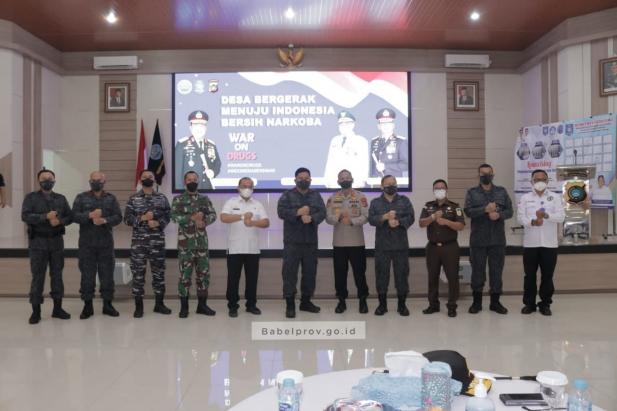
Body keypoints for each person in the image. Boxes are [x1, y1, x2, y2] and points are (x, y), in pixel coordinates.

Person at [21, 169, 72, 324]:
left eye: (50, 178)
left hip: (56, 242)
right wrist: (45, 217)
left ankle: (57, 309)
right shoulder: (31, 198)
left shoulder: (61, 198)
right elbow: (25, 216)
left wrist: (60, 221)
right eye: (44, 178)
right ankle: (36, 311)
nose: (47, 181)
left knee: (57, 276)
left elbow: (70, 216)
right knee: (38, 277)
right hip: (38, 242)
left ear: (54, 180)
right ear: (39, 181)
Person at [72, 171, 123, 319]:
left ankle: (107, 305)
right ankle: (87, 306)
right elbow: (73, 216)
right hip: (86, 245)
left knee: (107, 276)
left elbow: (118, 217)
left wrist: (105, 220)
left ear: (104, 182)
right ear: (89, 181)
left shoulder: (111, 198)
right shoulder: (81, 197)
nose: (96, 182)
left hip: (106, 244)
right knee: (87, 276)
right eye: (93, 180)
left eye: (99, 180)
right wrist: (89, 215)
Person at [277, 167, 327, 318]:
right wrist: (297, 213)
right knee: (289, 273)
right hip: (292, 242)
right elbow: (281, 212)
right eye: (300, 178)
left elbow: (322, 212)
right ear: (295, 180)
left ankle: (306, 302)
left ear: (310, 180)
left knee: (310, 273)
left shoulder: (316, 195)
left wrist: (312, 218)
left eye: (306, 178)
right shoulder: (287, 195)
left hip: (310, 242)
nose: (304, 180)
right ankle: (290, 304)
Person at [464, 163, 513, 315]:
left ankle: (495, 303)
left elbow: (510, 211)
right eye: (483, 174)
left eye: (488, 173)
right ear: (478, 175)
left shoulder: (501, 191)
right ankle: (476, 303)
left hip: (497, 240)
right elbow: (468, 211)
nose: (486, 176)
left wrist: (499, 215)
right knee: (477, 272)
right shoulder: (472, 192)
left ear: (493, 174)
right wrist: (484, 209)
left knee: (496, 272)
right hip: (478, 240)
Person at [124, 170, 172, 318]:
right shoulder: (133, 198)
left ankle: (159, 304)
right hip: (139, 244)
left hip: (157, 242)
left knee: (159, 274)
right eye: (144, 177)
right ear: (140, 180)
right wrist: (142, 218)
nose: (147, 179)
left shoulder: (161, 198)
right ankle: (139, 307)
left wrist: (158, 223)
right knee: (138, 275)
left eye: (150, 177)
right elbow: (127, 219)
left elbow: (168, 215)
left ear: (154, 179)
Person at [517, 169, 565, 316]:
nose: (540, 182)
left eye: (543, 179)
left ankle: (545, 304)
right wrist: (533, 222)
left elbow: (561, 217)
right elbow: (520, 218)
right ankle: (529, 304)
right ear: (531, 181)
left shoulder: (555, 197)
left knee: (547, 276)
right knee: (529, 276)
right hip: (530, 244)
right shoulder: (525, 198)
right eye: (537, 179)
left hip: (549, 244)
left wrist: (546, 215)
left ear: (547, 181)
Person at [220, 177, 270, 317]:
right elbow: (223, 218)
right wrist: (242, 217)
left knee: (252, 279)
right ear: (238, 188)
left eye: (250, 186)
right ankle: (232, 306)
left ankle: (251, 305)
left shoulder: (257, 204)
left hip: (252, 248)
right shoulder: (231, 202)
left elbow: (266, 222)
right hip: (234, 248)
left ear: (253, 189)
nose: (247, 189)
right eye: (244, 186)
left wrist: (252, 223)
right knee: (233, 279)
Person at [171, 170, 217, 318]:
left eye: (194, 179)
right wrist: (191, 218)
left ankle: (202, 306)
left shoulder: (204, 199)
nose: (192, 182)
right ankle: (184, 308)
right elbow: (173, 216)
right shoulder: (178, 199)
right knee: (185, 276)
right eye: (189, 179)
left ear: (198, 181)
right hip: (185, 246)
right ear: (184, 182)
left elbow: (213, 215)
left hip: (202, 244)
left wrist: (204, 221)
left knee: (203, 275)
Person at [368, 175, 414, 316]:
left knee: (402, 275)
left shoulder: (404, 200)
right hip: (382, 247)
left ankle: (402, 305)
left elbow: (411, 217)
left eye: (394, 183)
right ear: (382, 186)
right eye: (388, 184)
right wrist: (384, 217)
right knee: (381, 276)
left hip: (400, 246)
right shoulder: (375, 202)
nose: (391, 186)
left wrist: (399, 222)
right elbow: (371, 219)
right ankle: (382, 305)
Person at [418, 179, 465, 317]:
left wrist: (446, 222)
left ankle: (452, 306)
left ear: (446, 190)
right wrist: (432, 217)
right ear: (433, 190)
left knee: (452, 277)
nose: (439, 190)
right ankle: (433, 305)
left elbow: (461, 226)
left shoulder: (455, 207)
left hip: (450, 247)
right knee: (432, 277)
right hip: (432, 248)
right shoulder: (428, 206)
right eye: (437, 188)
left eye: (442, 188)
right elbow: (421, 223)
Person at [325, 169, 370, 314]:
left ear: (352, 179)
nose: (345, 180)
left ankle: (362, 299)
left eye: (347, 177)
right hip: (339, 243)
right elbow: (328, 218)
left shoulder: (360, 197)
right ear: (338, 181)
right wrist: (338, 218)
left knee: (359, 273)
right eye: (342, 178)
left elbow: (366, 217)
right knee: (340, 274)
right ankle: (341, 301)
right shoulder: (333, 198)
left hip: (357, 242)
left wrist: (351, 221)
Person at [175, 110, 221, 190]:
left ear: (206, 128)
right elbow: (177, 172)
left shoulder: (211, 145)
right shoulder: (182, 144)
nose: (199, 128)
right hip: (189, 191)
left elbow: (217, 163)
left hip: (208, 189)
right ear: (190, 128)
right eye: (196, 125)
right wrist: (179, 191)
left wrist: (213, 172)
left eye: (202, 125)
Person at [323, 111, 369, 188]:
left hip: (354, 184)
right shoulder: (335, 140)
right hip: (335, 184)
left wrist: (362, 181)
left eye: (347, 123)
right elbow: (330, 162)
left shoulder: (361, 141)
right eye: (341, 123)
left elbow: (364, 163)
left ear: (353, 124)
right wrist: (327, 180)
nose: (343, 126)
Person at [370, 108, 408, 178]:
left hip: (393, 181)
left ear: (393, 125)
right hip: (376, 181)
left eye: (389, 123)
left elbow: (406, 165)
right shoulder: (374, 141)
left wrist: (385, 166)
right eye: (383, 124)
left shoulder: (401, 141)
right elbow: (372, 166)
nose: (386, 126)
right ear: (378, 126)